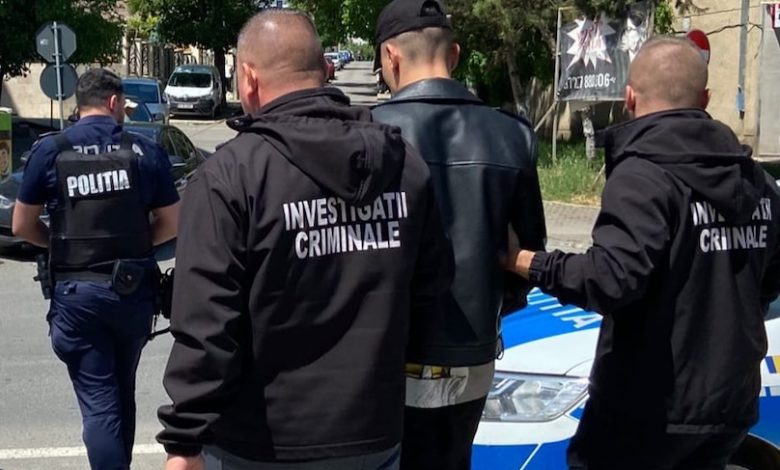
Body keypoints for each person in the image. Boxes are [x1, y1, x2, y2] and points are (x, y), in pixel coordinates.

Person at [157, 9, 452, 470]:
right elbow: (432, 289)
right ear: (325, 70)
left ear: (248, 78)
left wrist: (183, 441)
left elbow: (206, 323)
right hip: (373, 435)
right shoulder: (403, 164)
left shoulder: (230, 177)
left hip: (259, 446)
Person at [506, 36, 780, 469]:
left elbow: (610, 279)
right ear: (705, 99)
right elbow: (769, 279)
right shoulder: (757, 182)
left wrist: (525, 261)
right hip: (729, 404)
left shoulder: (642, 176)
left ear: (629, 97)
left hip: (650, 406)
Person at [371, 1, 546, 469]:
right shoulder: (513, 135)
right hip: (472, 353)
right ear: (454, 54)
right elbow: (525, 255)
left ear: (390, 57)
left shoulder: (366, 134)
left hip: (385, 351)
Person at [11, 68, 180, 469]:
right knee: (122, 392)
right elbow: (173, 222)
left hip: (77, 296)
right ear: (113, 102)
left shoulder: (50, 151)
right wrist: (138, 245)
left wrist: (59, 246)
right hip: (132, 291)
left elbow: (21, 225)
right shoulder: (143, 151)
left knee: (100, 403)